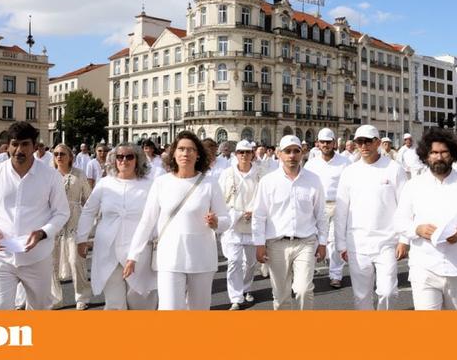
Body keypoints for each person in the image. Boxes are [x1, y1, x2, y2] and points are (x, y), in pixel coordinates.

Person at [0, 122, 70, 310]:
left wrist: (42, 233)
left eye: (25, 144)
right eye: (15, 144)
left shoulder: (50, 176)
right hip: (0, 256)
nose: (19, 150)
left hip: (37, 256)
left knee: (39, 308)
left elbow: (61, 212)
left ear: (34, 146)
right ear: (8, 146)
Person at [125, 131, 229, 310]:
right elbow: (147, 222)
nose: (185, 153)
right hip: (169, 257)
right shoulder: (161, 183)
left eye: (191, 150)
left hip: (202, 258)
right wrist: (133, 255)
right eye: (181, 149)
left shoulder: (210, 183)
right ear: (173, 153)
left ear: (198, 155)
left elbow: (226, 219)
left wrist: (216, 222)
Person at [395, 127, 457, 310]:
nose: (439, 157)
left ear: (453, 154)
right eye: (434, 153)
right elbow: (400, 221)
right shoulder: (414, 185)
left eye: (444, 152)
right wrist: (417, 229)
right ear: (425, 155)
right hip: (424, 267)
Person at [76, 143, 157, 310]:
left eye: (129, 156)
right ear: (113, 160)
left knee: (141, 301)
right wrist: (81, 238)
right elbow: (89, 211)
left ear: (137, 159)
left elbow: (157, 216)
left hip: (139, 250)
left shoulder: (150, 185)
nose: (124, 160)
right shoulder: (105, 183)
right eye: (120, 157)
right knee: (114, 303)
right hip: (108, 250)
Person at [334, 125, 406, 309]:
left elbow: (405, 207)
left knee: (388, 292)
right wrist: (341, 244)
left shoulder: (394, 168)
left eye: (367, 141)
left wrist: (404, 240)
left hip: (387, 242)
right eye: (359, 141)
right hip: (357, 243)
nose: (363, 145)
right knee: (361, 296)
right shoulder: (349, 172)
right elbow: (341, 211)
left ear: (378, 142)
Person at [252, 135, 327, 310]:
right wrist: (259, 244)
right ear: (279, 154)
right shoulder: (268, 182)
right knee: (280, 295)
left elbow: (321, 214)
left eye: (296, 151)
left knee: (303, 290)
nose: (292, 155)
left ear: (302, 153)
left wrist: (323, 243)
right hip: (276, 244)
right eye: (287, 151)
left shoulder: (313, 180)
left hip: (305, 243)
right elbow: (259, 215)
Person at [305, 128, 352, 289]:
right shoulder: (311, 164)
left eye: (328, 142)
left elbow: (350, 186)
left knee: (334, 241)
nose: (325, 145)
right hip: (317, 206)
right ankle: (307, 275)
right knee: (313, 240)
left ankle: (335, 275)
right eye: (322, 142)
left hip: (338, 205)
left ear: (334, 143)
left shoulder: (345, 162)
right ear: (318, 143)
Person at [219, 140, 262, 310]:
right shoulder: (227, 174)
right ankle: (236, 297)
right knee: (234, 262)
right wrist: (235, 214)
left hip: (253, 225)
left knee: (250, 263)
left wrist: (254, 212)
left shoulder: (260, 174)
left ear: (252, 154)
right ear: (235, 155)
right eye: (241, 152)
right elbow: (221, 199)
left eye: (247, 152)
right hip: (233, 225)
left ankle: (246, 288)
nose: (244, 155)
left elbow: (265, 199)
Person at [50, 144, 93, 310]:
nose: (59, 157)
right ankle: (55, 297)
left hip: (74, 220)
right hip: (53, 221)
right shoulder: (49, 175)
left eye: (62, 154)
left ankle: (82, 296)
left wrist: (89, 224)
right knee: (51, 263)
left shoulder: (79, 174)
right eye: (56, 154)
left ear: (70, 156)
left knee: (76, 260)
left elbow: (88, 199)